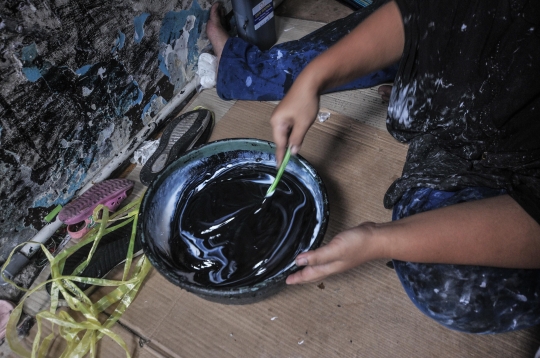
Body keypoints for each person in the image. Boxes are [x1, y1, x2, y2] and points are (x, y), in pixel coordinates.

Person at [207, 0, 540, 334]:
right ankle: (241, 67)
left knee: (451, 286)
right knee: (326, 58)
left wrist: (378, 240)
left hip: (519, 173)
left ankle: (434, 117)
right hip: (486, 75)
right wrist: (312, 81)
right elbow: (422, 14)